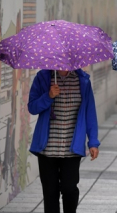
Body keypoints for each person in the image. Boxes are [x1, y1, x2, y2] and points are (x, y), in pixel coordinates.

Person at [28, 69, 100, 213]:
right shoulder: (43, 78)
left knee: (69, 188)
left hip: (72, 148)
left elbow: (89, 112)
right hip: (47, 148)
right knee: (50, 192)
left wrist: (93, 142)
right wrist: (48, 96)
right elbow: (32, 107)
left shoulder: (83, 81)